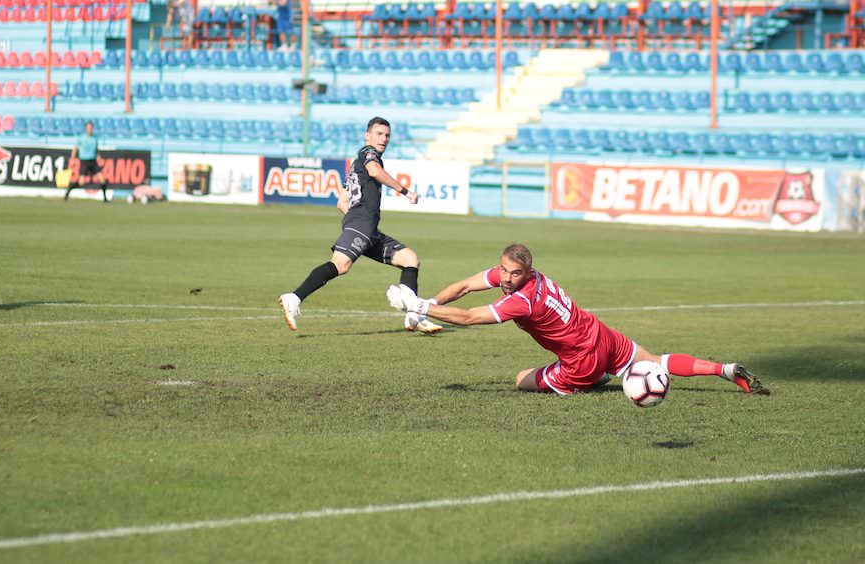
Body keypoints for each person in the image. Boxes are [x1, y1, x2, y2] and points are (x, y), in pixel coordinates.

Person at [388, 243, 768, 395]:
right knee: (654, 361)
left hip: (582, 359)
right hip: (600, 334)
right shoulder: (527, 277)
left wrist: (416, 308)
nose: (504, 278)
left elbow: (469, 318)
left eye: (511, 274)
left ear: (525, 274)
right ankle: (724, 369)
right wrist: (428, 299)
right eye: (502, 270)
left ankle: (597, 381)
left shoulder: (523, 301)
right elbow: (468, 286)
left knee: (521, 379)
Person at [278, 116, 443, 334]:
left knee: (410, 259)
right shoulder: (368, 154)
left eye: (387, 135)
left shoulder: (356, 165)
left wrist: (356, 225)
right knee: (340, 265)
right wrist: (405, 191)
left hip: (366, 228)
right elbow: (375, 171)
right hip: (362, 224)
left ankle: (413, 315)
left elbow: (341, 202)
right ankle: (294, 298)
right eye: (379, 134)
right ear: (368, 135)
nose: (383, 139)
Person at [64, 121, 109, 202]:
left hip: (93, 161)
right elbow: (75, 149)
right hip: (84, 161)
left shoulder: (94, 138)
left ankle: (105, 198)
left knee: (102, 179)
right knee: (81, 182)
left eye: (91, 128)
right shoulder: (81, 138)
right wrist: (72, 159)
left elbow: (96, 149)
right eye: (88, 127)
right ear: (86, 128)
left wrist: (98, 156)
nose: (90, 129)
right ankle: (68, 191)